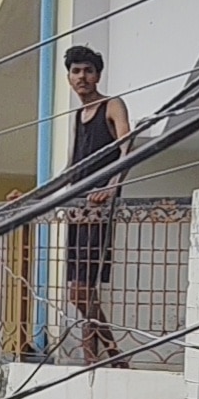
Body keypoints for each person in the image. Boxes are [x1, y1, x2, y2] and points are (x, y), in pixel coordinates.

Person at [61, 45, 133, 366]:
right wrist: (33, 197)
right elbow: (71, 166)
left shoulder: (112, 106)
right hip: (77, 209)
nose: (82, 77)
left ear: (98, 75)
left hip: (99, 208)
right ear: (69, 77)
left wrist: (112, 187)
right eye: (76, 71)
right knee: (81, 290)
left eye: (88, 71)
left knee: (81, 290)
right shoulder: (78, 116)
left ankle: (106, 354)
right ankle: (103, 355)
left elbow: (127, 149)